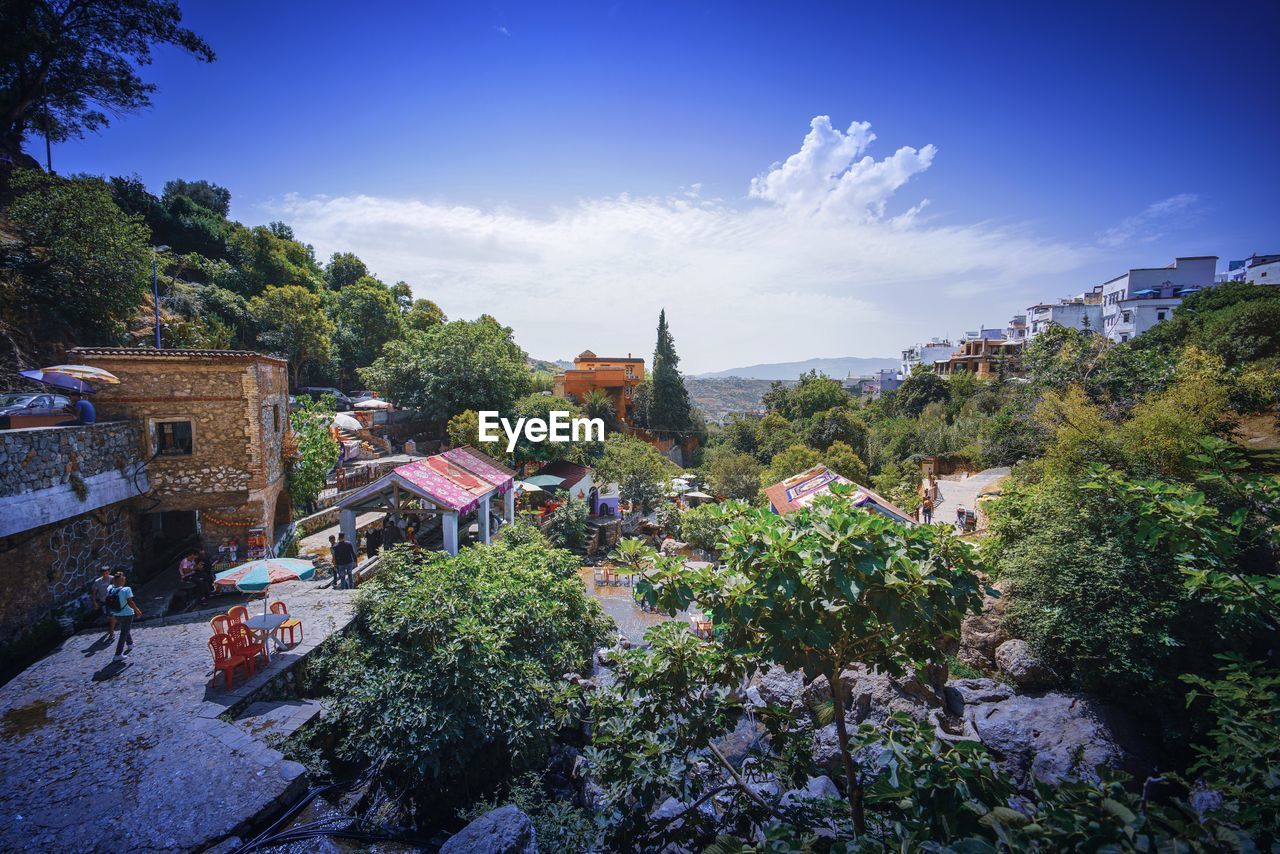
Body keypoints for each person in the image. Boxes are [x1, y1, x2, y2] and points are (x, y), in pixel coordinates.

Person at [108, 572, 142, 662]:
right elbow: (130, 602)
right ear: (122, 580)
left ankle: (130, 644)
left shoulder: (110, 589)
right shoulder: (126, 589)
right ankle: (118, 654)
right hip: (127, 613)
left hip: (116, 613)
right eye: (124, 579)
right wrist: (137, 610)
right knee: (124, 632)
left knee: (125, 628)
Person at [91, 567, 116, 642]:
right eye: (103, 573)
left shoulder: (113, 579)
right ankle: (111, 629)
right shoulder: (97, 581)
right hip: (103, 601)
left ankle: (112, 633)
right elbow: (94, 592)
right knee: (108, 617)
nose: (105, 575)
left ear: (109, 572)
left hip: (112, 601)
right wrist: (94, 602)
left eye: (106, 573)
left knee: (111, 617)